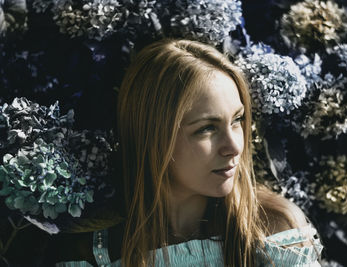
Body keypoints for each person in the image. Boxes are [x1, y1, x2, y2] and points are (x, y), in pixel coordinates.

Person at [55, 39, 323, 267]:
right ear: (153, 137)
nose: (234, 147)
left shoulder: (273, 228)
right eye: (207, 128)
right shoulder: (95, 252)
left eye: (237, 120)